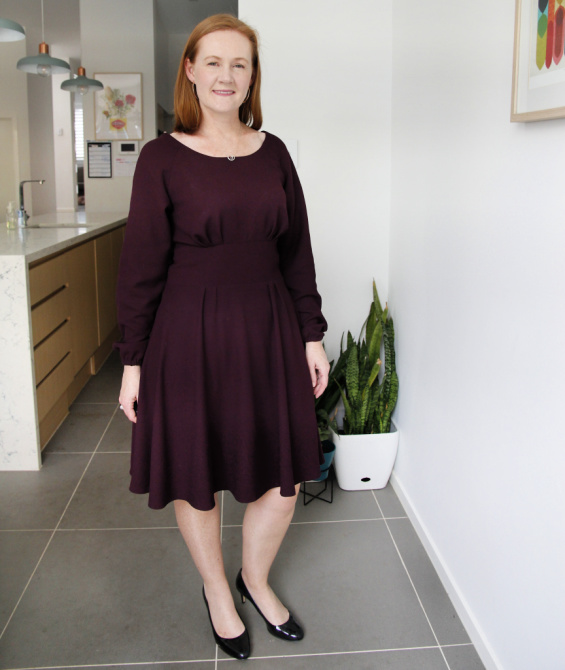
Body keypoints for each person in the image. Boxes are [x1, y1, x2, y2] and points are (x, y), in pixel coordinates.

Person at [116, 13, 329, 661]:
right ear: (190, 70)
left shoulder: (275, 152)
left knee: (282, 481)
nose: (226, 75)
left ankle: (255, 580)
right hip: (186, 335)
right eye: (213, 61)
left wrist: (310, 336)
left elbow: (296, 253)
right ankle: (217, 592)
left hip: (267, 329)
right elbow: (141, 267)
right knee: (194, 476)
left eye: (239, 63)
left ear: (251, 75)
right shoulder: (160, 157)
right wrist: (133, 363)